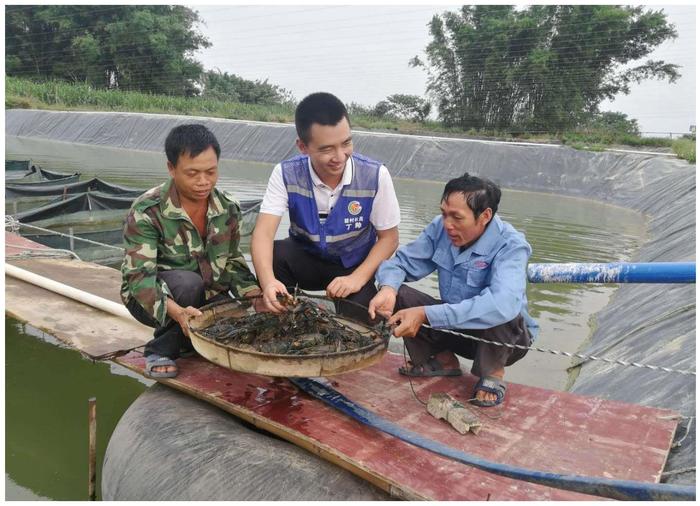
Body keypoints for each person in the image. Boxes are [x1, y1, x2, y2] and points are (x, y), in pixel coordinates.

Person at [368, 173, 538, 407]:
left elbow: (503, 303)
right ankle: (445, 360)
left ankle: (493, 372)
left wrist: (426, 314)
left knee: (503, 309)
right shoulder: (440, 229)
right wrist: (387, 288)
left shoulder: (511, 246)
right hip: (456, 327)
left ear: (485, 216)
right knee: (401, 295)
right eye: (444, 213)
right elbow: (400, 263)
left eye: (457, 217)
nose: (447, 224)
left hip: (505, 339)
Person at [120, 124, 263, 378]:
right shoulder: (147, 210)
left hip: (206, 293)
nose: (203, 182)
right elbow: (139, 278)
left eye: (211, 172)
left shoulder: (228, 208)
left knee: (240, 322)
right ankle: (159, 350)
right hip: (150, 297)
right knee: (188, 284)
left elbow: (232, 261)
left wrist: (256, 296)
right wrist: (178, 313)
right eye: (192, 173)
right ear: (171, 169)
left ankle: (190, 341)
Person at [252, 92, 400, 320]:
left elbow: (389, 239)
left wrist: (356, 279)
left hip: (351, 265)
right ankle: (285, 317)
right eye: (326, 149)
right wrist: (268, 282)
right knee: (275, 254)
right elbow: (263, 233)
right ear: (303, 146)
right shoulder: (285, 173)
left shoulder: (375, 175)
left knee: (368, 319)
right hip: (305, 258)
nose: (340, 157)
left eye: (346, 143)